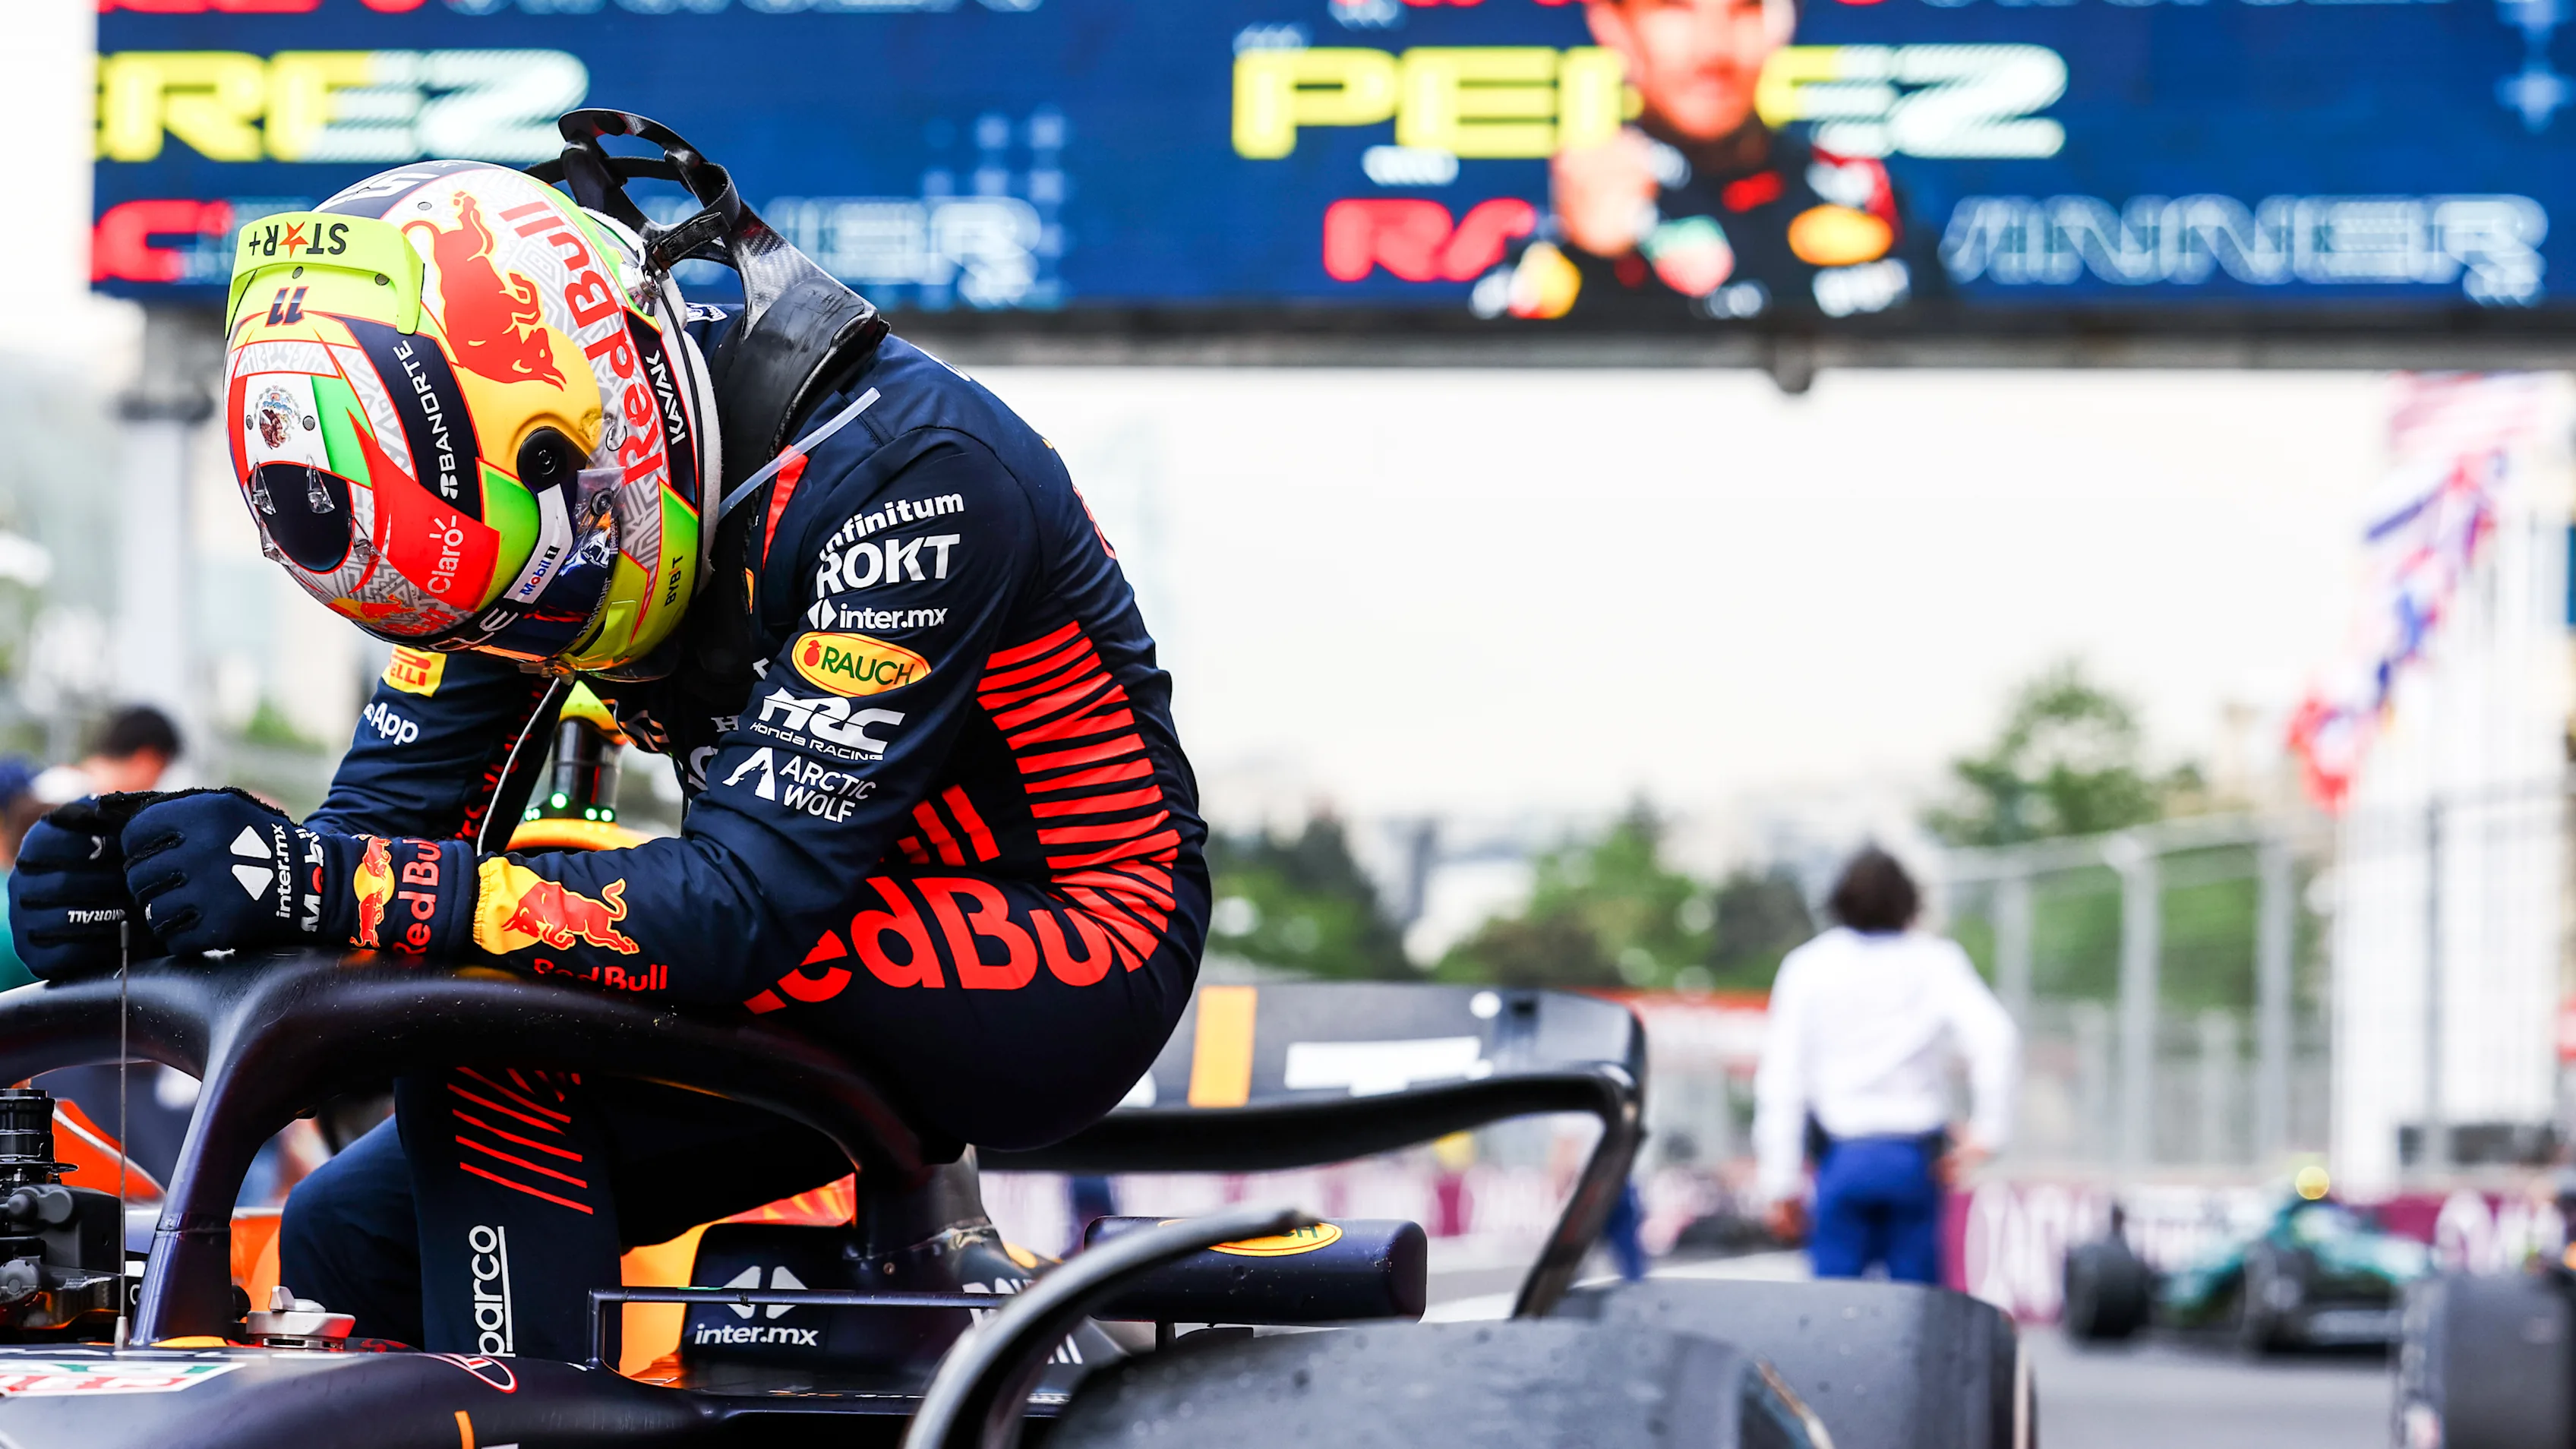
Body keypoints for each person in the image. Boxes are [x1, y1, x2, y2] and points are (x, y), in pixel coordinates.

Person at [10, 136, 1205, 1356]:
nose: (527, 635)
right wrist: (155, 895)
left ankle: (535, 1409)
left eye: (537, 596)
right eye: (488, 620)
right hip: (794, 942)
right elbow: (371, 849)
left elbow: (741, 907)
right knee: (342, 1233)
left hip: (1075, 948)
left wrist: (319, 885)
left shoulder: (915, 476)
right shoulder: (488, 520)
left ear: (603, 422)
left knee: (482, 1004)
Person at [1479, 0, 1936, 324]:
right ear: (1612, 22)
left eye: (1745, 8)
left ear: (1785, 21)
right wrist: (1593, 262)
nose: (1713, 50)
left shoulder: (1865, 193)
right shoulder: (1569, 220)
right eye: (1675, 7)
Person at [1752, 848, 2016, 1283]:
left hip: (1843, 1158)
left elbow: (1782, 1080)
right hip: (1913, 1162)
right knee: (1920, 1317)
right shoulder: (1935, 960)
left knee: (1832, 1315)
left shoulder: (1809, 967)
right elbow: (1997, 1038)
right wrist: (1990, 1131)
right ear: (1910, 900)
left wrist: (1780, 1183)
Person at [30, 706, 180, 806]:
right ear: (147, 760)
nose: (156, 784)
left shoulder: (62, 785)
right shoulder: (63, 792)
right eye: (160, 771)